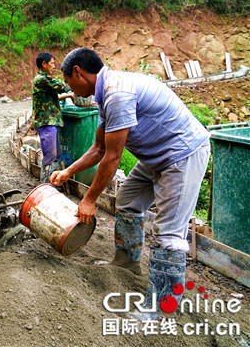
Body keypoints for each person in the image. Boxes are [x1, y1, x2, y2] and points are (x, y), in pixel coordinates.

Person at [50, 47, 210, 313]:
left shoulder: (117, 93)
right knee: (127, 201)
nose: (71, 89)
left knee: (168, 233)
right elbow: (98, 148)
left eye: (69, 83)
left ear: (78, 72)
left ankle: (161, 309)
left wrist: (89, 200)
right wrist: (68, 172)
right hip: (157, 156)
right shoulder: (105, 93)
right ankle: (126, 261)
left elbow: (112, 158)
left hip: (181, 155)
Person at [32, 52, 74, 183]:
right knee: (51, 155)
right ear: (43, 64)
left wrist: (68, 96)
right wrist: (73, 80)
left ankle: (50, 183)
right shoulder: (42, 79)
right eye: (52, 63)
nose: (53, 66)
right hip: (47, 123)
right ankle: (45, 185)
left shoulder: (42, 81)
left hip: (49, 123)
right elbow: (62, 87)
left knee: (55, 155)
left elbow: (53, 96)